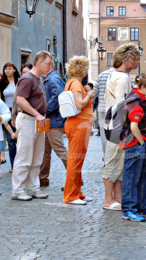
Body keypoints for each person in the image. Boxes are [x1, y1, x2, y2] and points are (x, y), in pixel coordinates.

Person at [103, 43, 140, 210]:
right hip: (118, 125)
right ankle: (108, 200)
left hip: (113, 123)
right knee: (113, 160)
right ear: (126, 59)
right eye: (136, 58)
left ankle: (117, 197)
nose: (138, 62)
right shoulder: (123, 78)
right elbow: (120, 104)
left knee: (119, 162)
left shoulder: (114, 75)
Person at [121, 74, 146, 222]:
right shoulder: (136, 101)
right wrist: (141, 142)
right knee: (132, 176)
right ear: (143, 88)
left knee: (145, 174)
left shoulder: (141, 97)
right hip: (135, 142)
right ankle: (129, 209)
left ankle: (143, 207)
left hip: (138, 141)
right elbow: (133, 126)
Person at [11, 51, 49, 201]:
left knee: (37, 157)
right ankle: (18, 190)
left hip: (38, 121)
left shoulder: (38, 79)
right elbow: (20, 100)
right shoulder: (27, 78)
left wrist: (41, 116)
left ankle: (33, 188)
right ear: (39, 63)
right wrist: (37, 114)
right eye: (48, 64)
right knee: (24, 156)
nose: (50, 67)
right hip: (28, 120)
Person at [63, 56, 95, 205]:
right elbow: (80, 104)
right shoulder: (76, 83)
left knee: (77, 160)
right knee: (75, 160)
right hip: (78, 125)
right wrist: (89, 94)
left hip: (78, 124)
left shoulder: (72, 82)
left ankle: (77, 192)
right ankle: (71, 195)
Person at [39, 56, 68, 187]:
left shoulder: (53, 78)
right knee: (45, 150)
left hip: (53, 120)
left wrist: (45, 109)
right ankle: (42, 178)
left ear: (49, 66)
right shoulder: (49, 79)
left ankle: (75, 178)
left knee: (60, 149)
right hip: (48, 120)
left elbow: (58, 96)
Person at [0, 62, 20, 174]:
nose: (8, 71)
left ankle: (21, 164)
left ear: (14, 70)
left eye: (10, 68)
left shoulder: (19, 81)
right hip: (7, 111)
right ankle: (13, 165)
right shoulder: (1, 83)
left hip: (18, 111)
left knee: (20, 139)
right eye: (6, 69)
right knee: (11, 140)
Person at [93, 67, 115, 156]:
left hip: (102, 108)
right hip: (115, 108)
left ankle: (106, 156)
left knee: (104, 134)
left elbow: (95, 92)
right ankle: (113, 157)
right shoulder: (122, 75)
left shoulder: (101, 75)